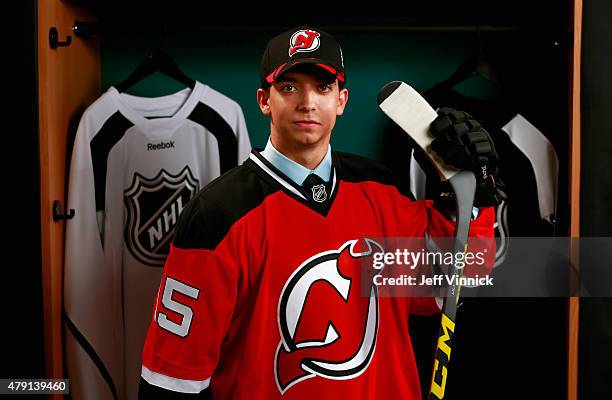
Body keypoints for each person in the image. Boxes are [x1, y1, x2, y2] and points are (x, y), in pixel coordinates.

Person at [138, 26, 504, 399]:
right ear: (265, 100)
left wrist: (475, 196)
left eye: (323, 87)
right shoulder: (218, 214)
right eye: (290, 86)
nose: (307, 102)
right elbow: (172, 379)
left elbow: (458, 281)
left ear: (341, 100)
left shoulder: (385, 191)